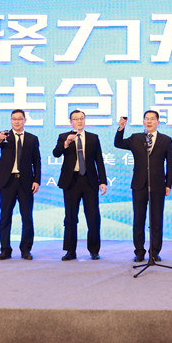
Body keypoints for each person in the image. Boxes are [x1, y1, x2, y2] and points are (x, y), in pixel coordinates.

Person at [114, 110, 172, 262]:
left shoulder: (166, 140)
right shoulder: (136, 138)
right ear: (143, 122)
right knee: (139, 220)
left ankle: (154, 251)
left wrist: (168, 184)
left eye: (152, 119)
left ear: (158, 122)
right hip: (139, 185)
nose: (149, 121)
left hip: (158, 185)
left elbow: (170, 164)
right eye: (146, 119)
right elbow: (118, 143)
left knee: (156, 220)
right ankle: (139, 252)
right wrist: (121, 128)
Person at [52, 110, 108, 261]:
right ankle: (70, 251)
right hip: (71, 181)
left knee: (93, 217)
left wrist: (103, 181)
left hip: (89, 181)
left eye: (82, 118)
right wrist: (66, 143)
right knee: (70, 217)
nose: (79, 121)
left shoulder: (93, 138)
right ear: (71, 122)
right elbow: (56, 153)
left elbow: (99, 160)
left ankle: (94, 250)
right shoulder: (63, 136)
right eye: (76, 119)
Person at [0, 109, 41, 260]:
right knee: (5, 216)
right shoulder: (5, 136)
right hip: (7, 182)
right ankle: (5, 250)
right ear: (11, 120)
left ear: (25, 120)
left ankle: (26, 249)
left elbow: (37, 161)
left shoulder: (32, 138)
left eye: (20, 119)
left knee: (27, 217)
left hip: (26, 182)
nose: (17, 121)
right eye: (14, 119)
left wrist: (37, 180)